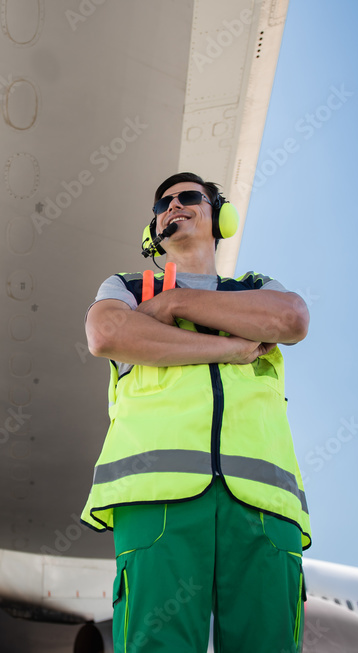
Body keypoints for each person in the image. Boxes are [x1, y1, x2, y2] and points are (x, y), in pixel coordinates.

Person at [79, 172, 311, 652]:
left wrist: (176, 303)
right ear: (154, 228)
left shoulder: (255, 286)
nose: (174, 206)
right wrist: (227, 348)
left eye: (189, 197)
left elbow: (291, 319)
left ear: (219, 215)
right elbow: (106, 334)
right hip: (156, 498)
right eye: (163, 203)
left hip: (266, 508)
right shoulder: (125, 285)